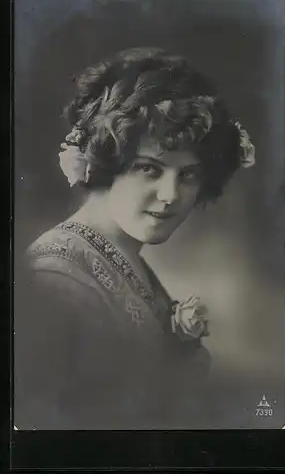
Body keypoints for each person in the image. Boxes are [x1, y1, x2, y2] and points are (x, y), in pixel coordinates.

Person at [14, 47, 255, 430]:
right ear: (103, 163)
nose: (170, 195)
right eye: (149, 169)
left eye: (189, 175)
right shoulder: (55, 279)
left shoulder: (124, 258)